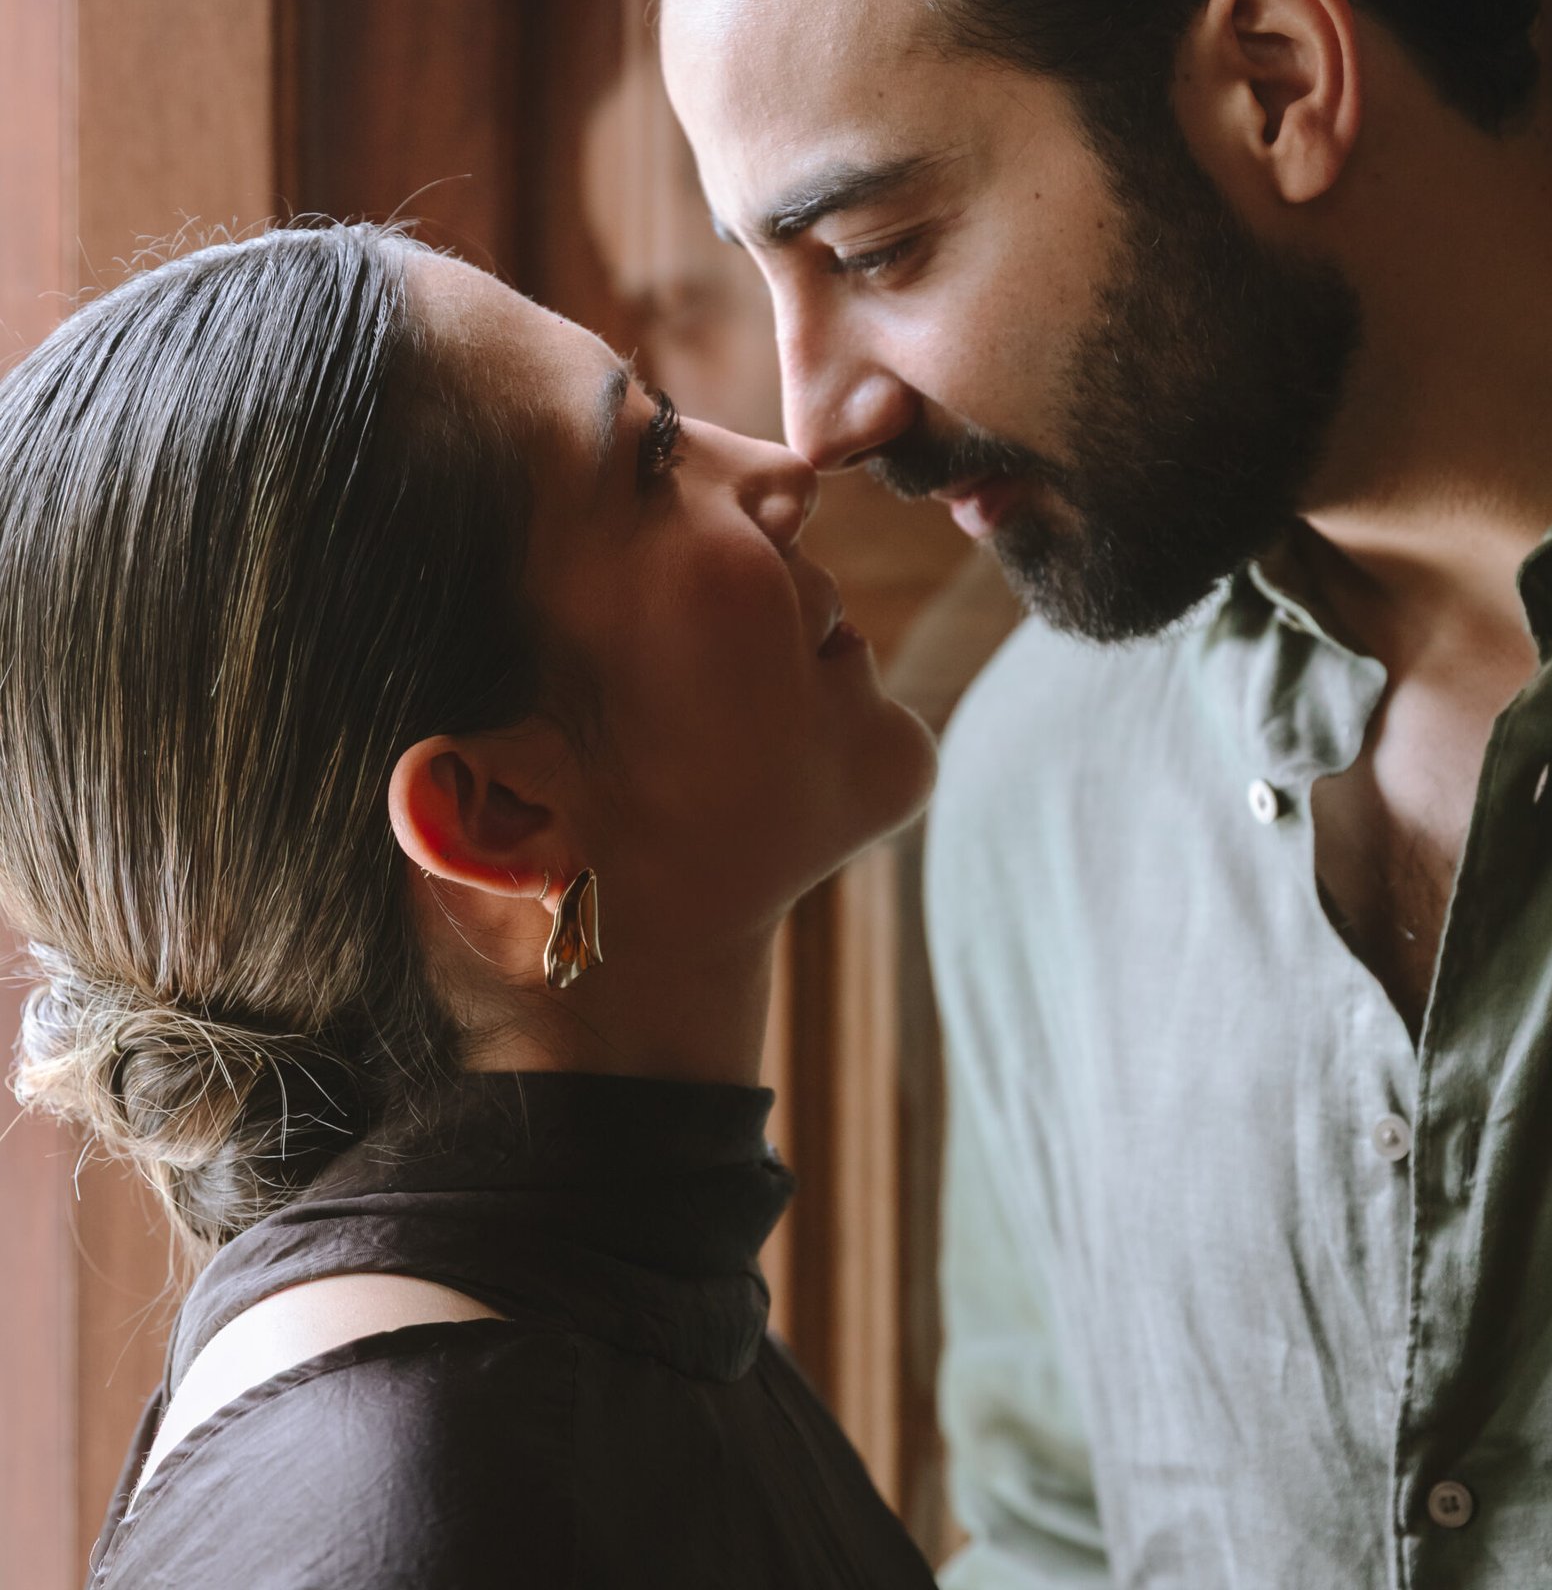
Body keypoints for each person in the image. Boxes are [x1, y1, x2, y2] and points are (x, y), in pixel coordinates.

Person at [648, 0, 1552, 1587]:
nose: (819, 417)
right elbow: (1057, 1541)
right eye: (766, 275)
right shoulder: (1027, 783)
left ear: (1274, 84)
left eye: (877, 246)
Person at [0, 223, 941, 1589]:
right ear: (496, 816)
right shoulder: (423, 1502)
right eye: (651, 463)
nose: (783, 466)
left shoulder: (596, 1320)